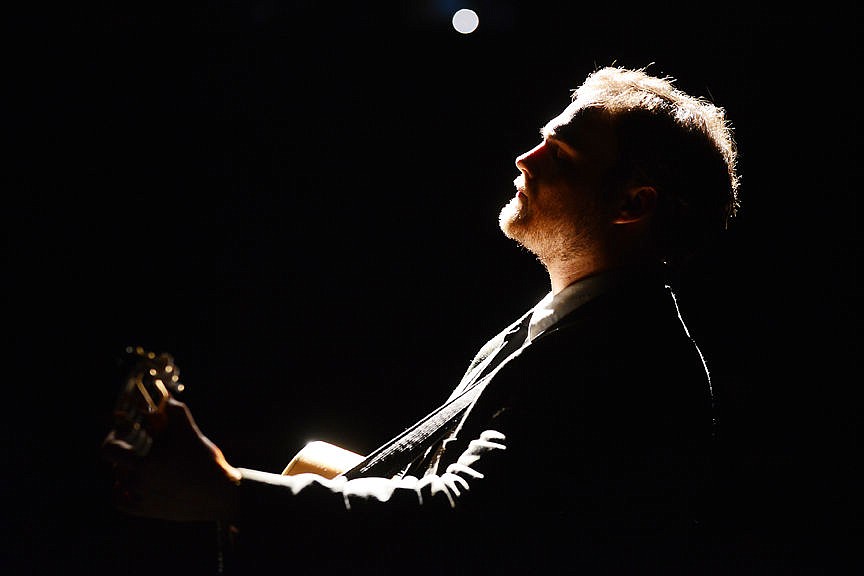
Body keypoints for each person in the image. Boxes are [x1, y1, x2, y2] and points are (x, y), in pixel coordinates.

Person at [102, 65, 740, 574]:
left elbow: (464, 525)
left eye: (562, 155)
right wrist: (311, 478)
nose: (526, 158)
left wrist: (230, 489)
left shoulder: (625, 358)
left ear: (633, 204)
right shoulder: (572, 323)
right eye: (542, 138)